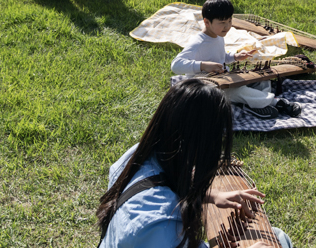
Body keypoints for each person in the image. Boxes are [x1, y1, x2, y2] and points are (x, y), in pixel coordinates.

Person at [96, 78, 294, 248]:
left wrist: (209, 196)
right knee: (280, 239)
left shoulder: (138, 155)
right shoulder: (161, 228)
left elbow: (162, 183)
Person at [171, 0, 301, 120]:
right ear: (207, 22)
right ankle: (277, 102)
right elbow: (176, 65)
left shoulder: (218, 36)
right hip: (206, 88)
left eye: (229, 21)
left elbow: (221, 56)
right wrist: (203, 65)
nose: (227, 26)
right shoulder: (198, 42)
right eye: (222, 22)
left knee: (262, 78)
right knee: (238, 91)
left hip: (224, 78)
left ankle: (252, 104)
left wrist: (235, 56)